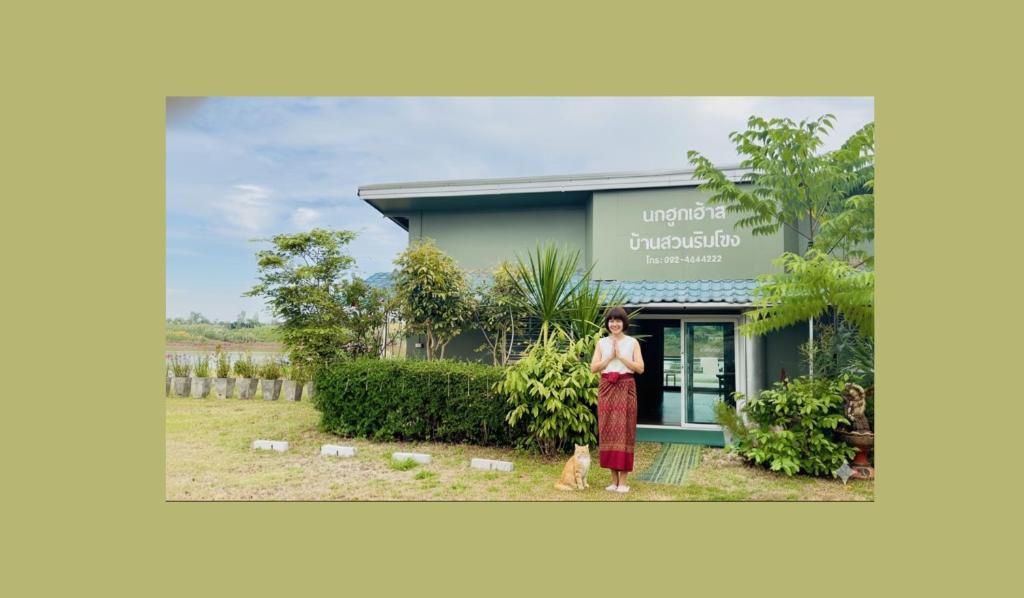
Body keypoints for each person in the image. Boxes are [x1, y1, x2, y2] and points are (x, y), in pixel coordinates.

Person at [590, 306, 644, 493]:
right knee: (608, 431)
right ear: (608, 323)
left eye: (618, 320)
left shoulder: (632, 342)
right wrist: (610, 358)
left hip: (626, 387)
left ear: (624, 323)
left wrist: (620, 357)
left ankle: (624, 482)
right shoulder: (601, 343)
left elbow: (640, 368)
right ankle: (613, 481)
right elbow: (594, 368)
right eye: (611, 321)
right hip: (606, 388)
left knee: (625, 431)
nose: (614, 324)